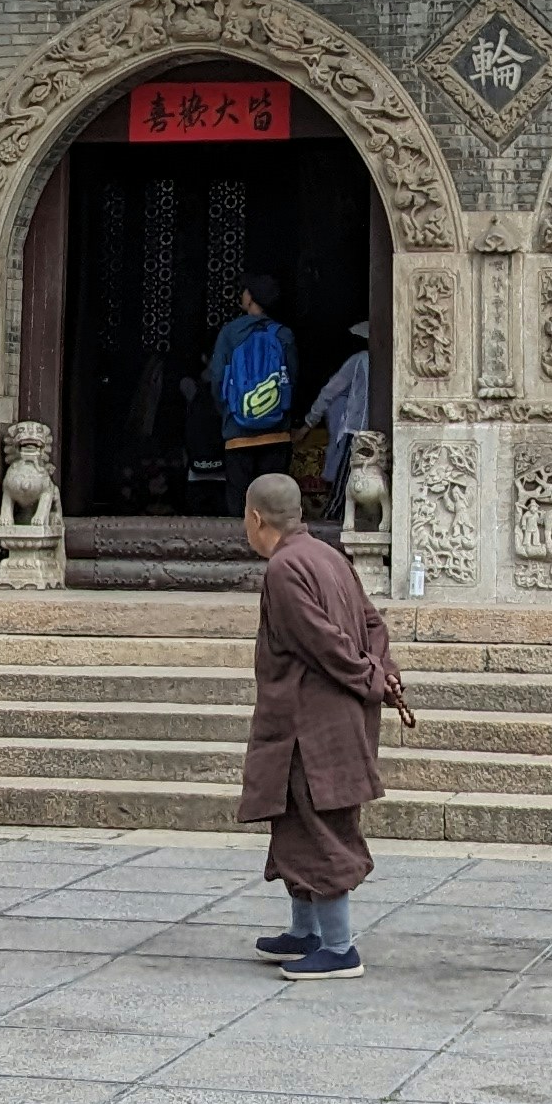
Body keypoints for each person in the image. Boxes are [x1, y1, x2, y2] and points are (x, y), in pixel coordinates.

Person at [236, 470, 407, 979]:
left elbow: (322, 641)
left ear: (256, 518)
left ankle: (338, 947)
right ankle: (304, 932)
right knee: (295, 822)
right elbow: (373, 624)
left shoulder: (285, 567)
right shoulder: (329, 556)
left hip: (309, 726)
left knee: (318, 826)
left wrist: (369, 677)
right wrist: (381, 670)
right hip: (331, 719)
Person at [209, 272, 298, 476]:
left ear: (250, 297)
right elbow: (292, 381)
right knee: (272, 494)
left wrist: (230, 413)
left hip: (238, 435)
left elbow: (217, 381)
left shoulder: (230, 333)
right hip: (276, 434)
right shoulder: (284, 334)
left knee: (241, 495)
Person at [301, 318, 373, 519]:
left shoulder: (359, 360)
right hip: (380, 434)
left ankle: (333, 519)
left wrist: (308, 424)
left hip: (356, 432)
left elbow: (329, 392)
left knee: (343, 487)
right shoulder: (389, 362)